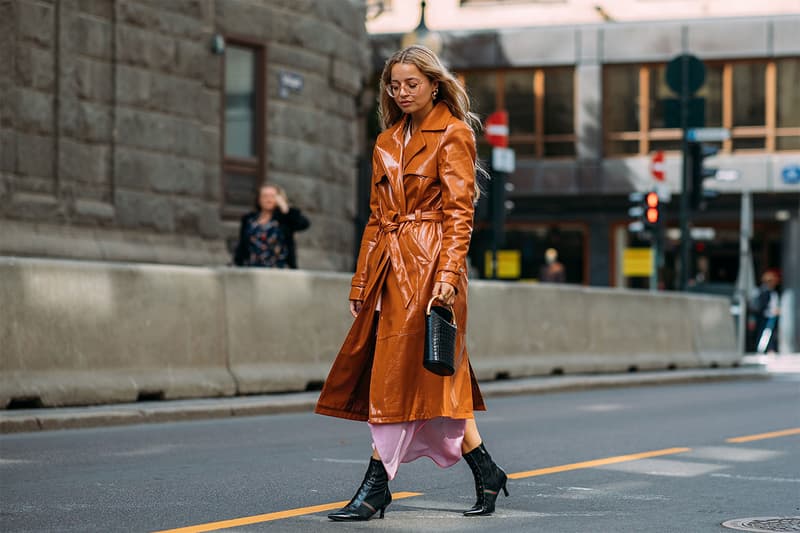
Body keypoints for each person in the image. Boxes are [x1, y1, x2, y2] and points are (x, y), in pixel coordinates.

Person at [315, 45, 508, 521]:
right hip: (388, 266)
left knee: (395, 378)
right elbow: (376, 219)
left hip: (430, 266)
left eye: (411, 84)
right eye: (395, 86)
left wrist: (446, 276)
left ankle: (376, 486)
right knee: (427, 380)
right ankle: (486, 471)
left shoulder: (454, 134)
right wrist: (362, 281)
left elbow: (460, 214)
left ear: (434, 84)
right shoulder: (385, 142)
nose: (401, 93)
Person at [232, 184, 310, 268]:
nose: (268, 199)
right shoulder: (249, 219)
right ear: (259, 199)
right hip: (252, 268)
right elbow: (242, 245)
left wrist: (285, 208)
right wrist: (237, 263)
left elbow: (304, 224)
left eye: (272, 196)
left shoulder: (285, 218)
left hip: (279, 269)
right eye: (265, 196)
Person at [752, 270, 781, 354]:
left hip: (770, 316)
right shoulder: (764, 291)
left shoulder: (772, 292)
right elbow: (762, 306)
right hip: (765, 317)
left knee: (769, 333)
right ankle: (763, 349)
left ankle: (767, 349)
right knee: (765, 333)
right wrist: (773, 311)